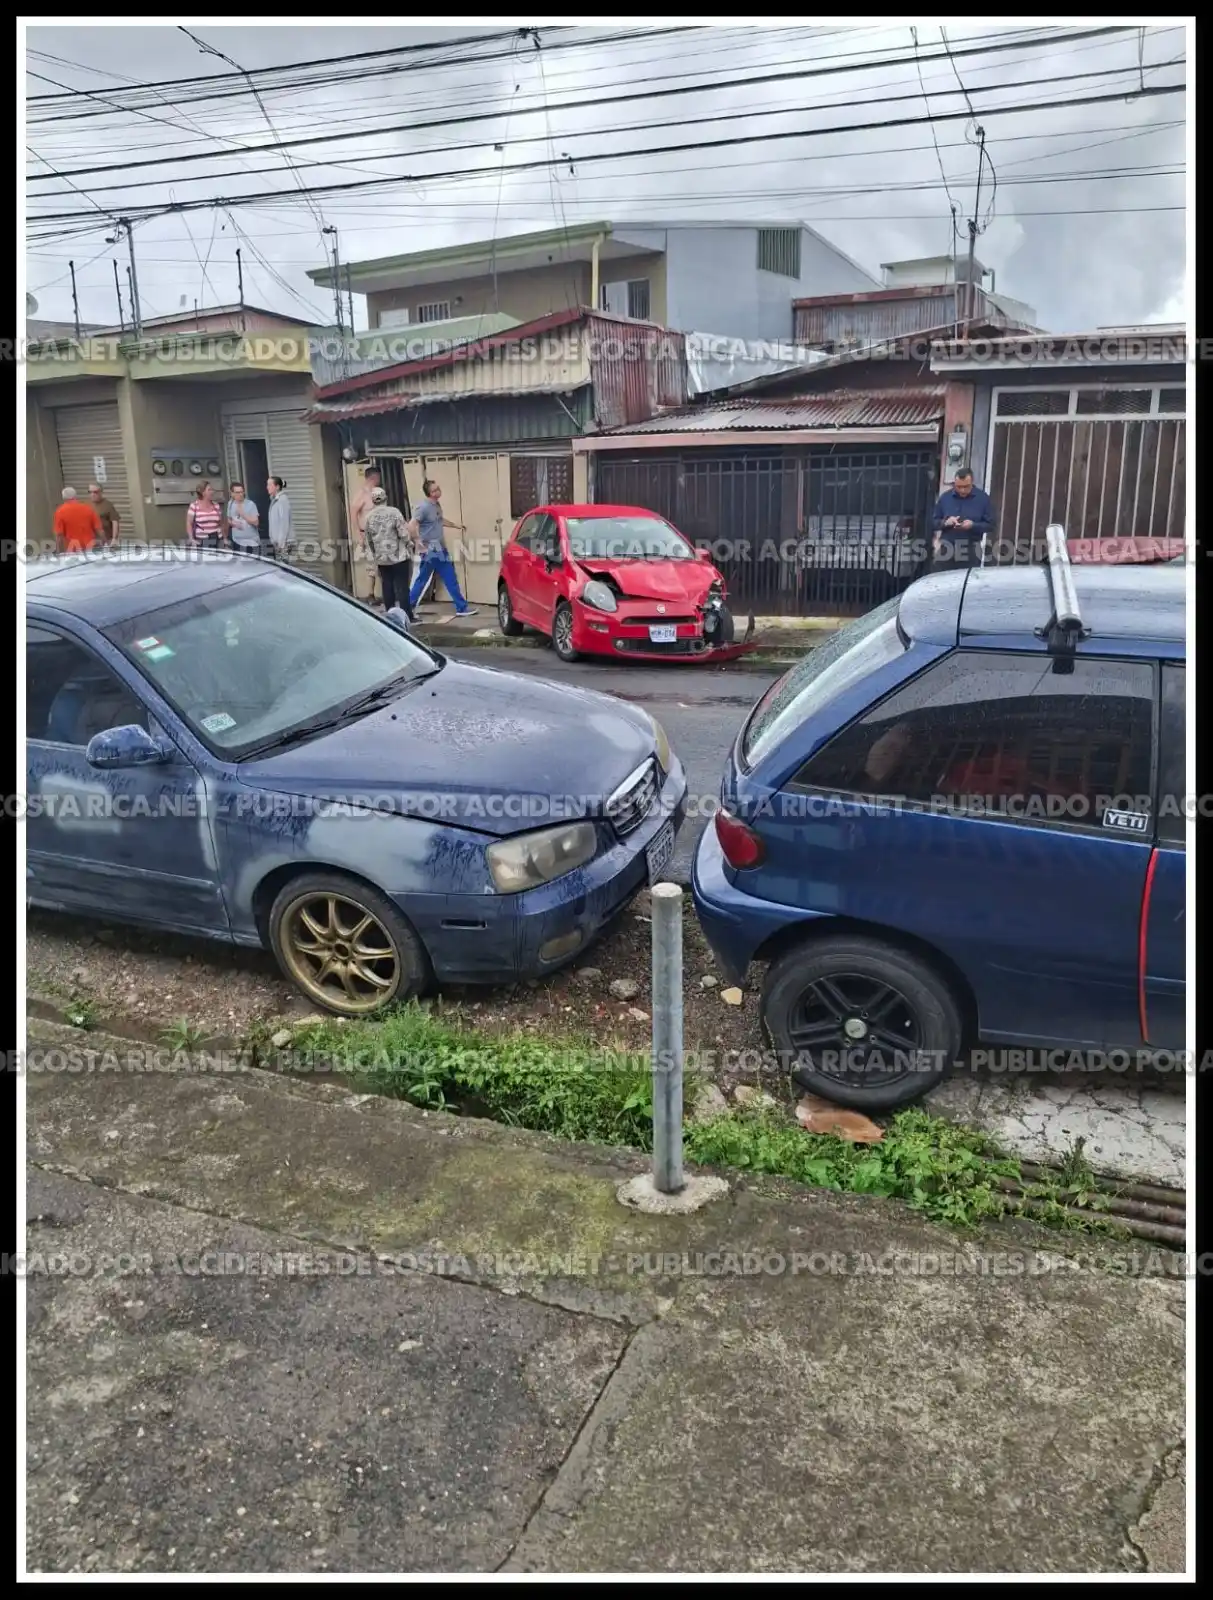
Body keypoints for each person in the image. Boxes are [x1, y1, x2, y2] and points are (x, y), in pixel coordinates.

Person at [407, 478, 477, 617]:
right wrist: (418, 541)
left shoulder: (436, 505)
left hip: (439, 548)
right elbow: (411, 525)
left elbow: (440, 520)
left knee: (440, 577)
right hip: (431, 549)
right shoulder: (424, 507)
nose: (438, 491)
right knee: (434, 578)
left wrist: (455, 525)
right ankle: (408, 606)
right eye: (435, 490)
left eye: (438, 488)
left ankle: (408, 607)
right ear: (430, 493)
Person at [363, 487, 417, 619]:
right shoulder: (394, 512)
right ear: (386, 498)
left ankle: (390, 615)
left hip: (382, 558)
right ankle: (408, 616)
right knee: (402, 587)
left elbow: (368, 538)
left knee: (387, 586)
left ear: (373, 500)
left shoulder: (369, 517)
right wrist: (410, 544)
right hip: (399, 556)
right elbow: (402, 532)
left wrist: (375, 553)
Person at [931, 468, 996, 571]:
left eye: (966, 487)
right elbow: (933, 523)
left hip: (971, 549)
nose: (962, 490)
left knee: (968, 582)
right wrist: (945, 523)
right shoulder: (945, 498)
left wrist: (973, 525)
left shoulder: (983, 499)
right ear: (954, 483)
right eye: (959, 487)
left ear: (972, 482)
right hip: (947, 548)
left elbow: (991, 525)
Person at [349, 466, 383, 603]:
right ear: (373, 478)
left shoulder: (377, 493)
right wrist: (359, 534)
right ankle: (370, 594)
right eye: (378, 477)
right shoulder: (361, 494)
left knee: (383, 563)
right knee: (372, 564)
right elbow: (353, 513)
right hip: (368, 533)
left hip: (381, 533)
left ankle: (383, 592)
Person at [53, 486, 102, 553]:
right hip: (90, 548)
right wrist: (104, 543)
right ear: (75, 496)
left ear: (63, 498)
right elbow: (99, 530)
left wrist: (59, 552)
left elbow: (59, 535)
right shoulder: (88, 508)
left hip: (72, 550)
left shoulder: (60, 512)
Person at [186, 481, 225, 548]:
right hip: (202, 541)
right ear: (203, 492)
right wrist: (191, 538)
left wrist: (225, 538)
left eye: (212, 489)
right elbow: (189, 523)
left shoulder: (216, 505)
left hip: (218, 539)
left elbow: (221, 523)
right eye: (209, 490)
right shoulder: (194, 506)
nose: (212, 492)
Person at [226, 481, 260, 554]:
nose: (241, 494)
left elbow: (256, 522)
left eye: (242, 492)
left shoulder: (250, 504)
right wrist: (234, 524)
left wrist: (243, 514)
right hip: (237, 542)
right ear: (232, 493)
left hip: (251, 543)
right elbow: (229, 519)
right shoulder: (230, 503)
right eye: (237, 492)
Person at [266, 474, 295, 561]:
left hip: (284, 543)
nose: (267, 487)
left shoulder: (282, 500)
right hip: (278, 543)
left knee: (284, 568)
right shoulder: (274, 500)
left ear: (277, 487)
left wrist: (281, 543)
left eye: (269, 485)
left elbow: (284, 523)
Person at [88, 482, 120, 547]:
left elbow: (115, 522)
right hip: (92, 541)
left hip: (107, 540)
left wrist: (114, 538)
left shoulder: (107, 505)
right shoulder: (87, 505)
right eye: (90, 492)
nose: (92, 494)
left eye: (95, 492)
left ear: (101, 492)